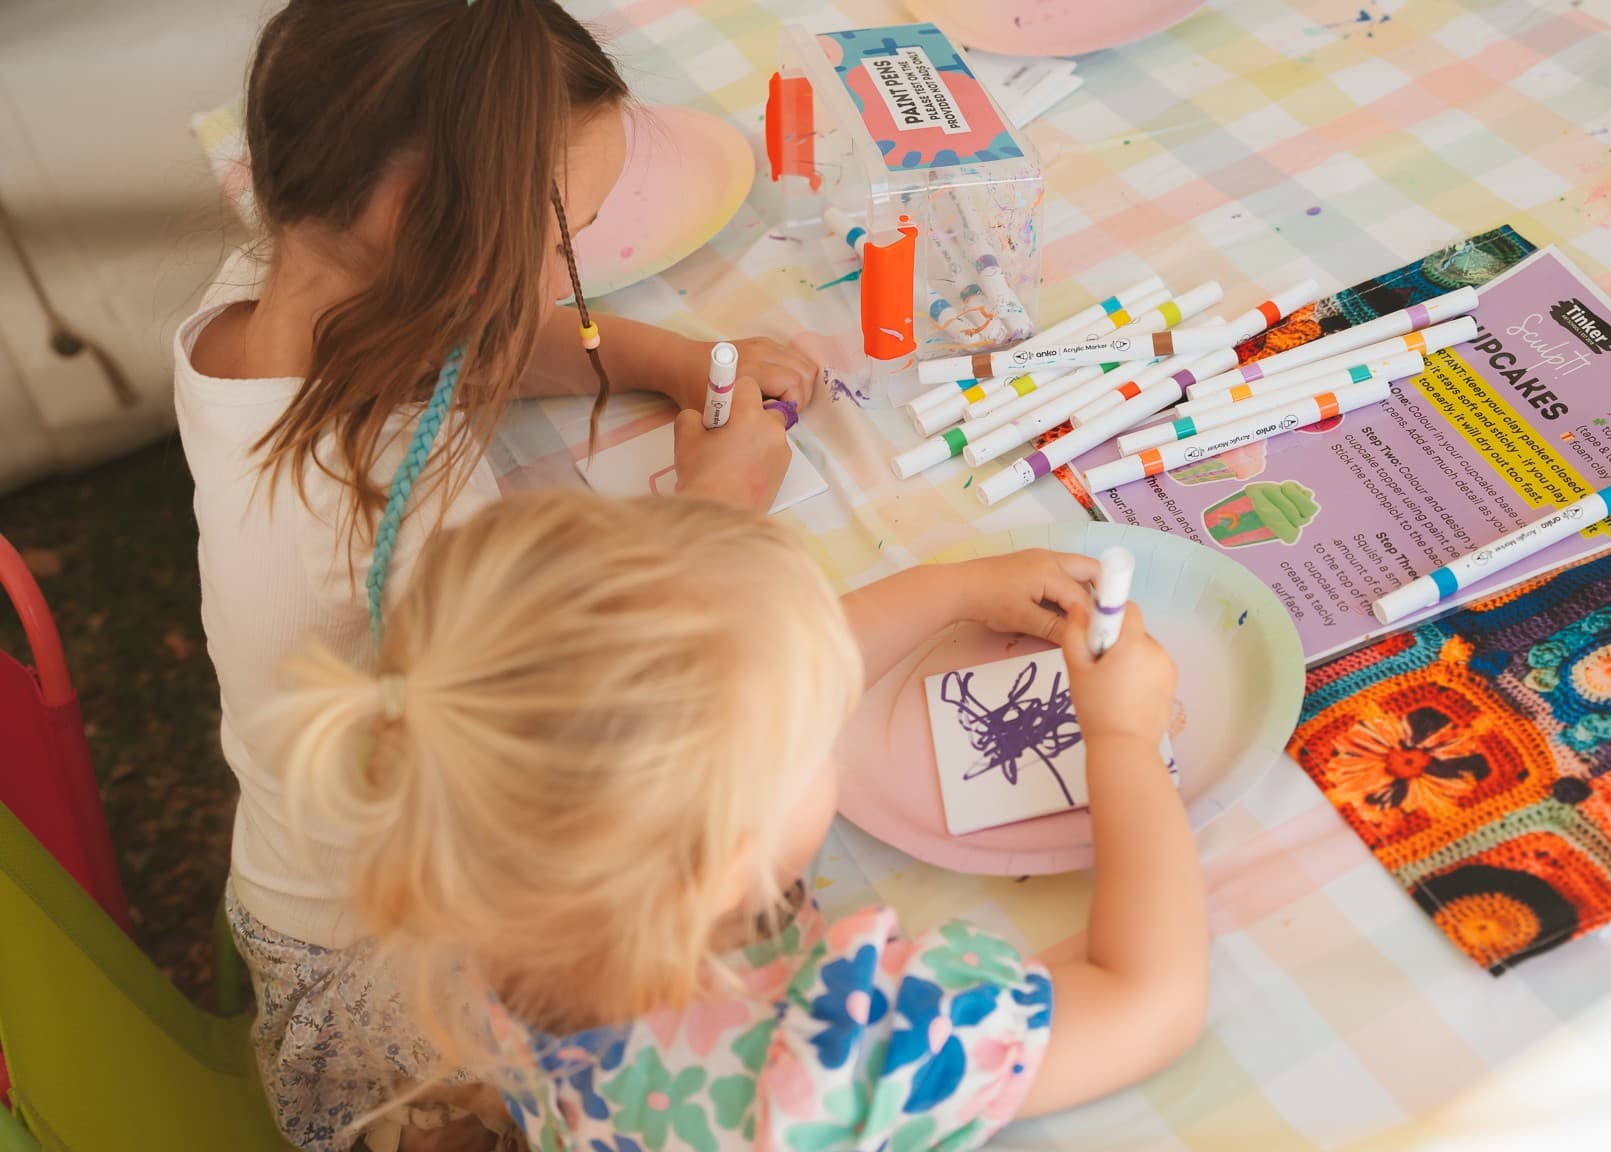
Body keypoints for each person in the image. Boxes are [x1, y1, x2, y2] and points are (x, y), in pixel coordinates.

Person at [174, 1, 808, 1145]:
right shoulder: (347, 529)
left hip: (386, 857)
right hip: (406, 986)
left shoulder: (276, 294)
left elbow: (481, 339)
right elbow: (594, 715)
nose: (566, 261)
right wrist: (722, 511)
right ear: (426, 219)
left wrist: (673, 359)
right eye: (560, 226)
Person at [271, 490, 1208, 1150]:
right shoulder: (831, 1060)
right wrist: (1120, 736)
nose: (828, 722)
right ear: (715, 862)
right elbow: (1148, 996)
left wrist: (952, 590)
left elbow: (724, 686)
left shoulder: (504, 895)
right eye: (810, 741)